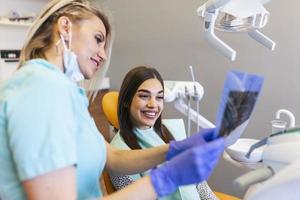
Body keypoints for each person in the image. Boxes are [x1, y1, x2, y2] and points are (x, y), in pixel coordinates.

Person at [0, 0, 225, 200]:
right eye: (98, 39)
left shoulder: (69, 94)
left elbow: (114, 157)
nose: (104, 54)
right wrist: (164, 179)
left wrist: (173, 150)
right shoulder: (41, 86)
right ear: (65, 27)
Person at [110, 66, 219, 200]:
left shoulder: (172, 129)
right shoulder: (119, 153)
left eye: (159, 97)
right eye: (144, 96)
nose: (153, 104)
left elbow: (199, 185)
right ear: (126, 100)